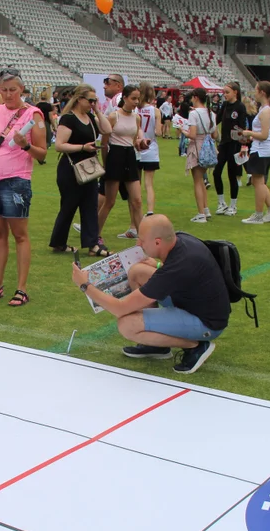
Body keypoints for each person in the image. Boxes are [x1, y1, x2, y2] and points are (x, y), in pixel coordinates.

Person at [69, 215, 229, 374]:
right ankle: (157, 346)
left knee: (127, 325)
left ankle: (196, 345)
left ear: (157, 242)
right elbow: (179, 270)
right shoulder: (180, 240)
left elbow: (120, 309)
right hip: (193, 302)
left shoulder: (177, 267)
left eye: (142, 240)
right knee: (137, 272)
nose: (138, 244)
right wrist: (158, 264)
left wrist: (85, 285)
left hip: (207, 323)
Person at [0, 68, 46, 307]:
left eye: (12, 90)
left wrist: (25, 146)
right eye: (3, 90)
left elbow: (42, 154)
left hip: (17, 180)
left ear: (21, 89)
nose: (7, 94)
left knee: (20, 235)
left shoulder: (34, 115)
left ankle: (21, 289)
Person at [48, 83, 111, 254]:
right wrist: (82, 147)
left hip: (89, 168)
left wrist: (97, 110)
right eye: (90, 100)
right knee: (69, 206)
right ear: (79, 99)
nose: (92, 103)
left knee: (90, 205)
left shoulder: (90, 118)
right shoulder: (68, 118)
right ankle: (58, 242)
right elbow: (59, 146)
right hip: (71, 169)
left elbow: (107, 129)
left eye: (95, 100)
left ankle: (92, 244)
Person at [97, 85, 143, 253]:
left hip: (130, 156)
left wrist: (140, 144)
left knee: (137, 201)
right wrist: (105, 163)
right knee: (109, 201)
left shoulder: (137, 118)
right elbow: (104, 143)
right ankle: (95, 235)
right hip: (115, 155)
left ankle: (143, 240)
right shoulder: (113, 116)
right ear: (124, 98)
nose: (136, 102)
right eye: (133, 98)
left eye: (138, 99)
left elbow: (134, 139)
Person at [239, 81, 270, 224]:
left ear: (262, 92)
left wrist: (248, 132)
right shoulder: (265, 109)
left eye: (256, 90)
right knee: (260, 182)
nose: (254, 93)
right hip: (261, 149)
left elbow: (263, 135)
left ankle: (258, 215)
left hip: (262, 150)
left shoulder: (266, 110)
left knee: (259, 183)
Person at [213, 81, 247, 216]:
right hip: (224, 143)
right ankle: (221, 203)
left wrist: (242, 144)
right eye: (224, 92)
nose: (224, 95)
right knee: (216, 172)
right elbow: (217, 120)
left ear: (235, 92)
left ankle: (233, 205)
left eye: (227, 92)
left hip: (235, 144)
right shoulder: (225, 105)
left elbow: (242, 127)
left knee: (232, 175)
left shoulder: (240, 107)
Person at [184, 89, 215, 223]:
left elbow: (192, 134)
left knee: (197, 180)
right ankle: (205, 209)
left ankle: (201, 213)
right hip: (208, 146)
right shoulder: (211, 113)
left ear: (196, 98)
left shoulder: (194, 113)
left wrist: (182, 130)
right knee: (202, 180)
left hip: (197, 146)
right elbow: (215, 134)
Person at [136, 82, 160, 219]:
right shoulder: (155, 111)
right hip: (151, 148)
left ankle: (137, 212)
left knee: (136, 183)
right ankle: (150, 211)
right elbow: (158, 132)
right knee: (149, 184)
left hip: (137, 148)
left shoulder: (134, 110)